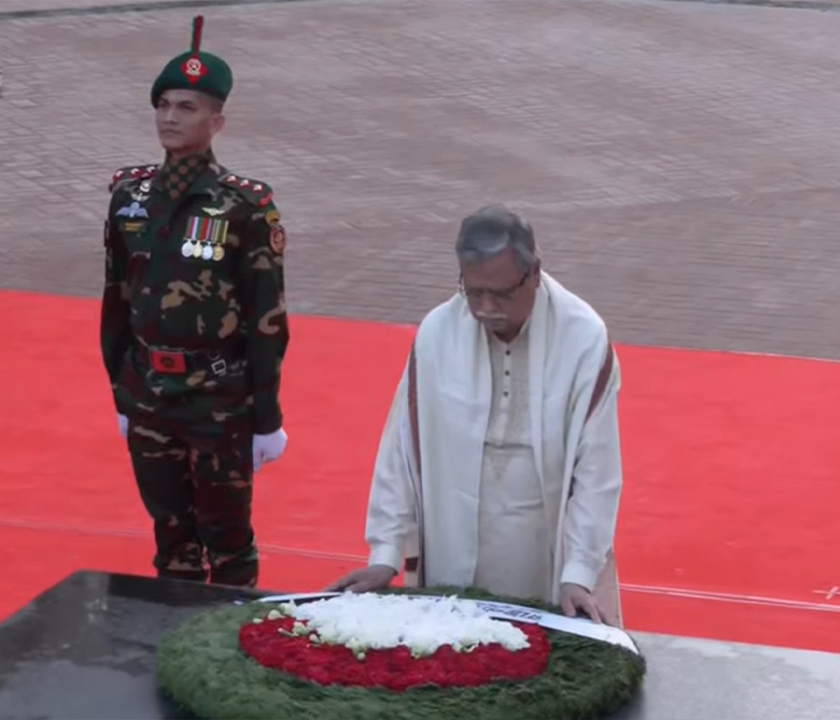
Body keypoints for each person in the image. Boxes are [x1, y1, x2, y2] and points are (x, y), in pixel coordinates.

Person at [326, 204, 625, 626]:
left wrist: (578, 573)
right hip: (452, 544)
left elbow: (597, 472)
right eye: (473, 292)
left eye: (501, 294)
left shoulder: (582, 338)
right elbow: (402, 452)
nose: (486, 307)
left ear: (534, 273)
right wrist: (385, 554)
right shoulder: (438, 333)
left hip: (543, 551)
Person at [100, 16, 290, 588]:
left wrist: (266, 417)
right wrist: (120, 391)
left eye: (186, 107)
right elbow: (116, 299)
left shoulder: (244, 206)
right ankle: (171, 632)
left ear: (217, 121)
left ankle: (227, 636)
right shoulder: (128, 196)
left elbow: (267, 318)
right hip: (148, 393)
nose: (169, 117)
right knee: (171, 540)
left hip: (217, 401)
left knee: (228, 544)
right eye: (163, 105)